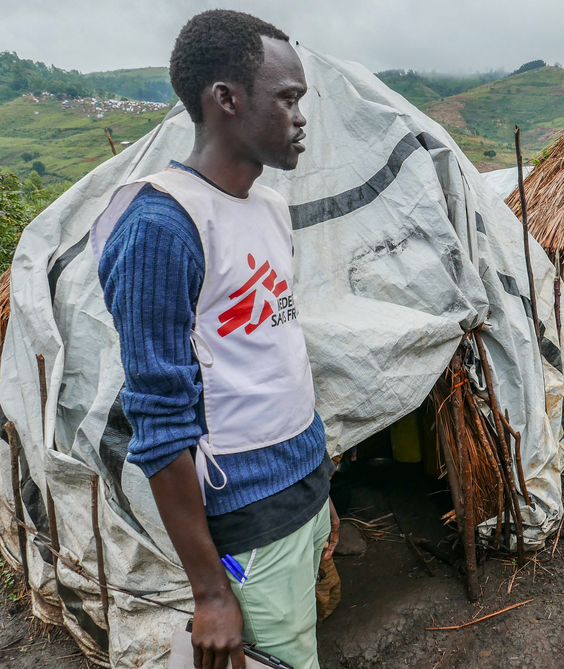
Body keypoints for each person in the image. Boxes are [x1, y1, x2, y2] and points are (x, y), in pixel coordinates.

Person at [92, 10, 337, 669]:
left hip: (302, 491)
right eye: (287, 98)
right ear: (225, 99)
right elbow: (161, 421)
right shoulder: (161, 226)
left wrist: (319, 487)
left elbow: (273, 354)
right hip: (246, 519)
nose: (300, 116)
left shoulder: (268, 208)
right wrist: (211, 592)